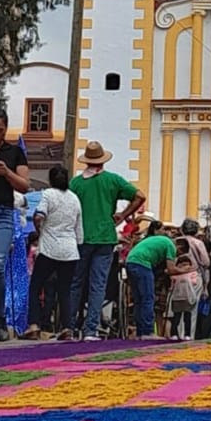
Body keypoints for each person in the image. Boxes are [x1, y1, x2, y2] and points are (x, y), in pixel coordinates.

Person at [69, 141, 145, 340]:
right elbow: (139, 196)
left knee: (76, 283)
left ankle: (69, 326)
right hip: (105, 237)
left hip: (81, 237)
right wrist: (123, 214)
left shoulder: (76, 183)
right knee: (98, 284)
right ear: (102, 161)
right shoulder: (113, 180)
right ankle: (91, 330)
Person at [24, 165, 84, 341]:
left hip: (50, 248)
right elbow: (79, 232)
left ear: (50, 180)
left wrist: (40, 230)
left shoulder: (48, 194)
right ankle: (67, 327)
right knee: (64, 290)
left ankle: (34, 325)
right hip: (70, 250)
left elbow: (38, 215)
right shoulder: (75, 199)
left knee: (35, 286)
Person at [0, 106, 30, 341]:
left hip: (2, 214)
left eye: (0, 130)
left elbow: (24, 186)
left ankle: (0, 318)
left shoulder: (14, 153)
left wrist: (5, 173)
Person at [126, 221, 186, 338]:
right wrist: (185, 270)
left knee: (139, 299)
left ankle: (140, 331)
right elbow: (171, 269)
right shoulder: (171, 246)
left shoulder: (158, 240)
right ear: (180, 247)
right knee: (148, 298)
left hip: (131, 261)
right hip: (142, 263)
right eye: (178, 254)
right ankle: (148, 331)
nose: (175, 256)